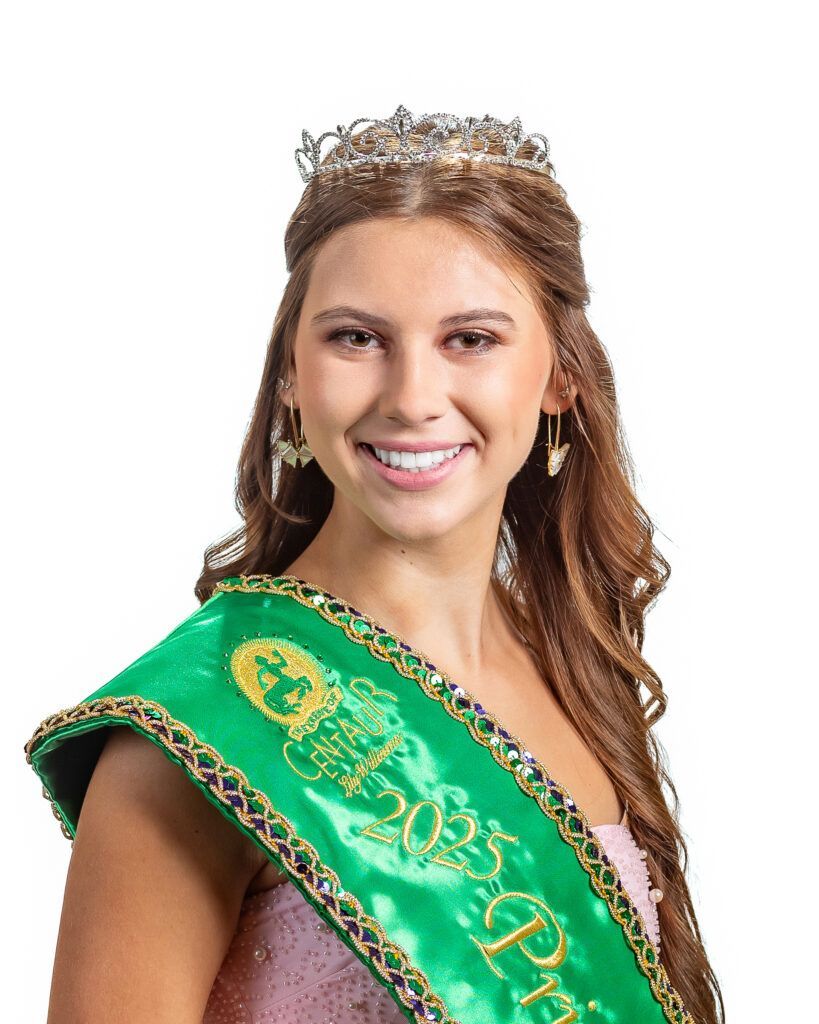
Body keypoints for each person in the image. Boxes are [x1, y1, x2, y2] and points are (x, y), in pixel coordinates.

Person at [25, 105, 723, 1024]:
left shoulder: (569, 662)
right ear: (289, 374)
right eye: (356, 337)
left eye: (469, 339)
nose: (411, 398)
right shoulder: (194, 736)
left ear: (560, 378)